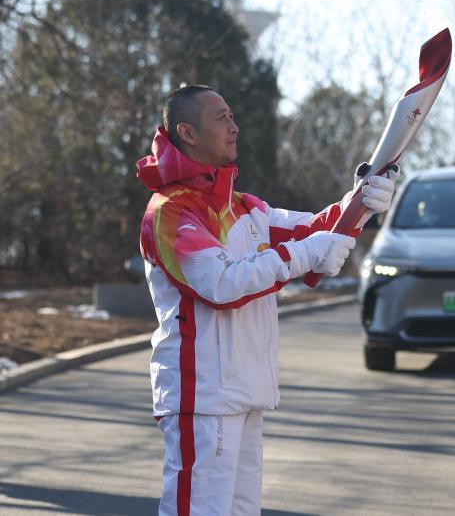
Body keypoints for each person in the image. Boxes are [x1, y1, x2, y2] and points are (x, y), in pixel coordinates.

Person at [136, 85, 398, 515]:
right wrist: (310, 252)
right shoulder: (169, 212)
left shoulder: (246, 209)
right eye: (222, 118)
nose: (234, 126)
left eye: (232, 116)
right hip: (202, 396)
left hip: (245, 390)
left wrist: (362, 203)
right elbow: (220, 284)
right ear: (187, 131)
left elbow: (314, 230)